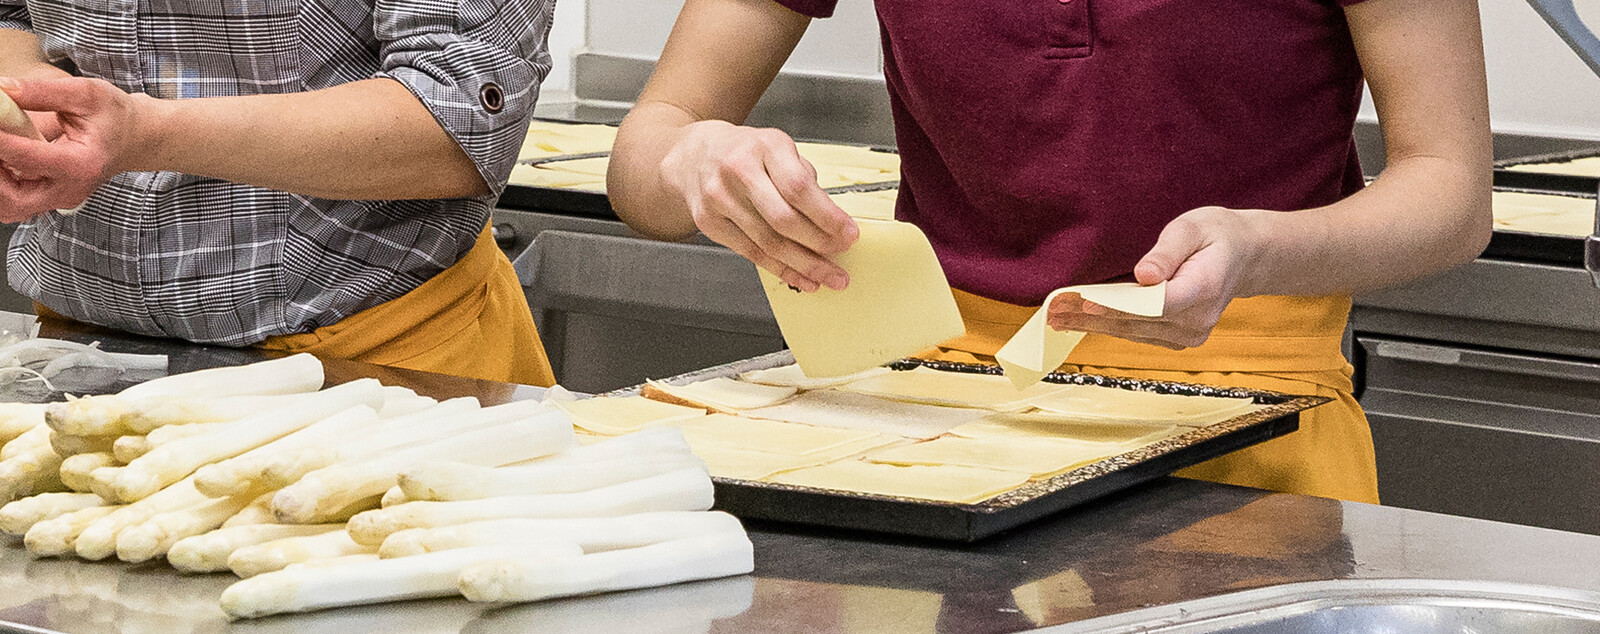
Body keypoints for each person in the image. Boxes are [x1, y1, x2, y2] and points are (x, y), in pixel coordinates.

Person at [606, 0, 1494, 502]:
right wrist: (695, 159)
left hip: (1249, 433)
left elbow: (1451, 191)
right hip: (926, 436)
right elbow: (644, 154)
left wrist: (1259, 245)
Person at [0, 0, 558, 387]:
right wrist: (37, 101)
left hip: (374, 367)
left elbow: (455, 123)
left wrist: (145, 134)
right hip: (83, 359)